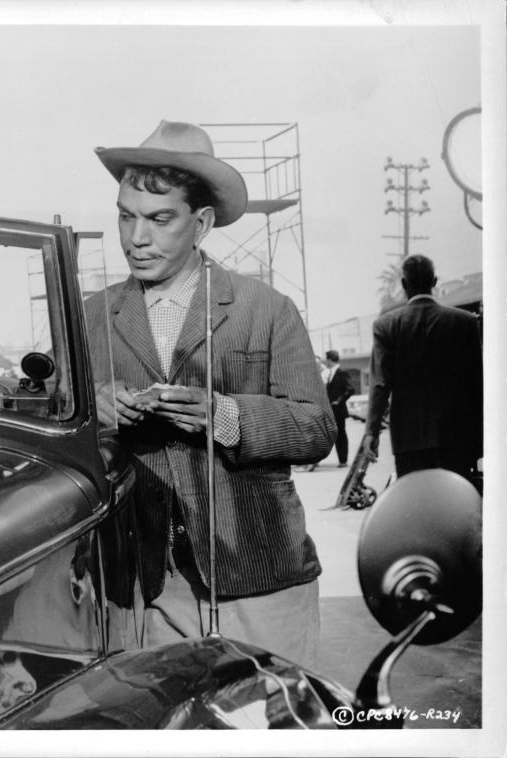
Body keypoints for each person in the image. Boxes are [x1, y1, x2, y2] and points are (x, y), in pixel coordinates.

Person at [84, 120, 336, 667]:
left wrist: (226, 415)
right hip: (147, 588)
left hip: (261, 577)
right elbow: (52, 427)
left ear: (200, 224)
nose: (136, 238)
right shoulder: (91, 316)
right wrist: (92, 409)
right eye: (126, 217)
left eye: (159, 219)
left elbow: (318, 428)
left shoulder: (266, 309)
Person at [362, 254, 482, 485]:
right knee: (454, 508)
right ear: (434, 281)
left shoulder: (386, 326)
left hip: (409, 440)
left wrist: (371, 432)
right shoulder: (464, 322)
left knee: (416, 508)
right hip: (456, 439)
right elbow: (477, 383)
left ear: (405, 285)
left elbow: (380, 385)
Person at [323, 349, 354, 467]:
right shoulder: (331, 373)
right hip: (333, 410)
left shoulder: (341, 372)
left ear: (330, 360)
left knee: (341, 434)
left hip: (339, 410)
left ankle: (343, 460)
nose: (326, 361)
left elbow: (350, 389)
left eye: (326, 359)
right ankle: (342, 459)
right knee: (337, 435)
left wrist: (339, 401)